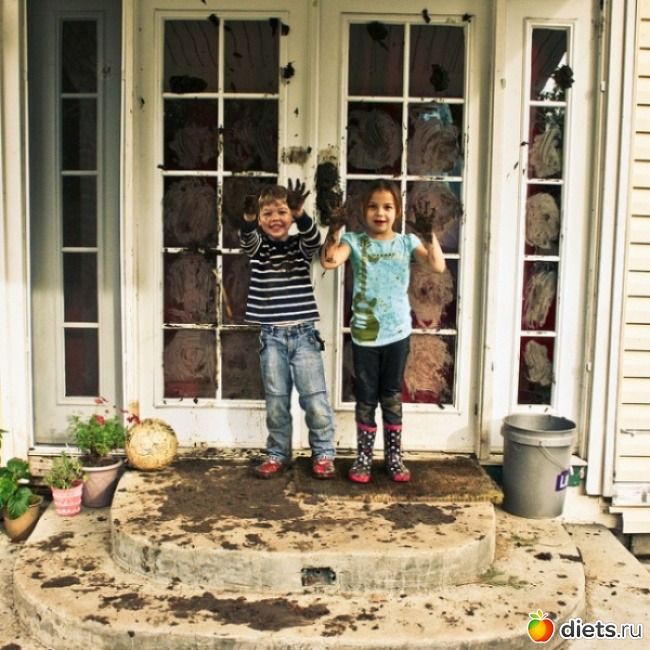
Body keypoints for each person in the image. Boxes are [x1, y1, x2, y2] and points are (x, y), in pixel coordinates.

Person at [320, 179, 446, 483]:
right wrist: (334, 228)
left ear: (397, 211)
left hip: (397, 334)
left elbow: (437, 266)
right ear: (364, 211)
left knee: (391, 397)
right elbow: (329, 260)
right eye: (373, 207)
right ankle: (363, 458)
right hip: (365, 335)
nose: (380, 213)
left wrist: (429, 235)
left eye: (387, 207)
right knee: (366, 399)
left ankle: (394, 458)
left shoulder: (406, 243)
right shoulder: (353, 241)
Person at [239, 180, 336, 479]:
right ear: (260, 219)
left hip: (304, 336)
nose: (275, 218)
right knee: (276, 401)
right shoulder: (259, 250)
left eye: (281, 211)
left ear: (291, 216)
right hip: (271, 338)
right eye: (266, 213)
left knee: (314, 399)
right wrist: (248, 219)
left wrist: (300, 213)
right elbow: (247, 239)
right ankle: (277, 454)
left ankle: (323, 454)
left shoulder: (299, 247)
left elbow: (313, 238)